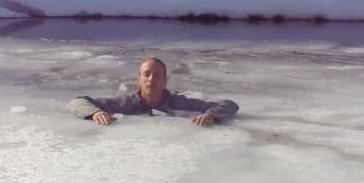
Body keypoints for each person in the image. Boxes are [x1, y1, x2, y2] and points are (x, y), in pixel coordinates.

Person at [68, 58, 239, 126]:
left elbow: (229, 104)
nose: (151, 79)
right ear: (139, 79)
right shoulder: (125, 103)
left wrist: (211, 115)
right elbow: (77, 101)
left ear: (165, 81)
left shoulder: (179, 102)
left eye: (157, 75)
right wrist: (96, 112)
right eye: (146, 75)